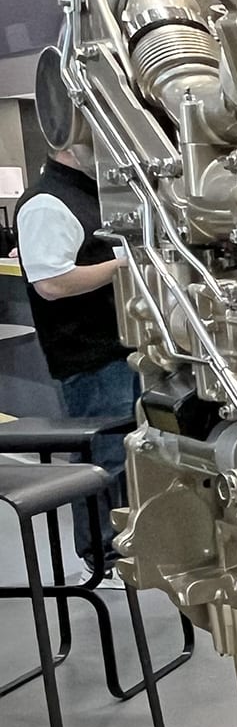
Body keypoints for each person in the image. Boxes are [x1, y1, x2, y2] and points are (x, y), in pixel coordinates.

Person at [16, 145, 134, 563]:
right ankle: (99, 553)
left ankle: (124, 541)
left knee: (126, 454)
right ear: (65, 146)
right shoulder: (46, 202)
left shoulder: (89, 194)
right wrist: (123, 266)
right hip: (88, 355)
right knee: (105, 459)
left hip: (118, 349)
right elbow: (51, 283)